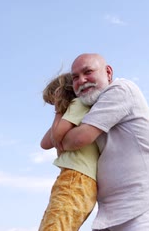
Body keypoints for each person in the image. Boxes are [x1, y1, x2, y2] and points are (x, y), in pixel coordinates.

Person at [58, 53, 149, 231]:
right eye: (75, 78)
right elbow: (51, 141)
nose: (81, 80)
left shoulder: (121, 89)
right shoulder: (92, 108)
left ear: (108, 72)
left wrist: (63, 138)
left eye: (88, 72)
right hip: (110, 214)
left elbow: (79, 139)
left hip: (142, 208)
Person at [38, 73, 100, 231]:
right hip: (75, 178)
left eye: (54, 102)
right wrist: (61, 113)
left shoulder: (78, 104)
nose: (55, 108)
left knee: (55, 227)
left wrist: (60, 109)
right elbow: (45, 143)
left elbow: (57, 135)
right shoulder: (71, 114)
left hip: (76, 178)